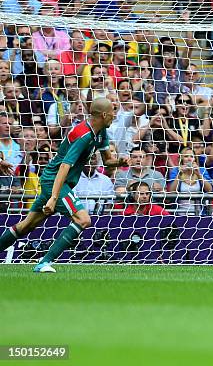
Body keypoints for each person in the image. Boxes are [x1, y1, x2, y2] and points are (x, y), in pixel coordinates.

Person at [0, 98, 129, 273]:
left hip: (55, 181)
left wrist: (119, 161)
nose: (115, 115)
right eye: (113, 112)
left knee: (26, 226)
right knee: (83, 219)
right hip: (55, 182)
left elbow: (107, 161)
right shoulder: (83, 134)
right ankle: (44, 262)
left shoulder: (101, 132)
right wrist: (54, 197)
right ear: (104, 114)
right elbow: (64, 166)